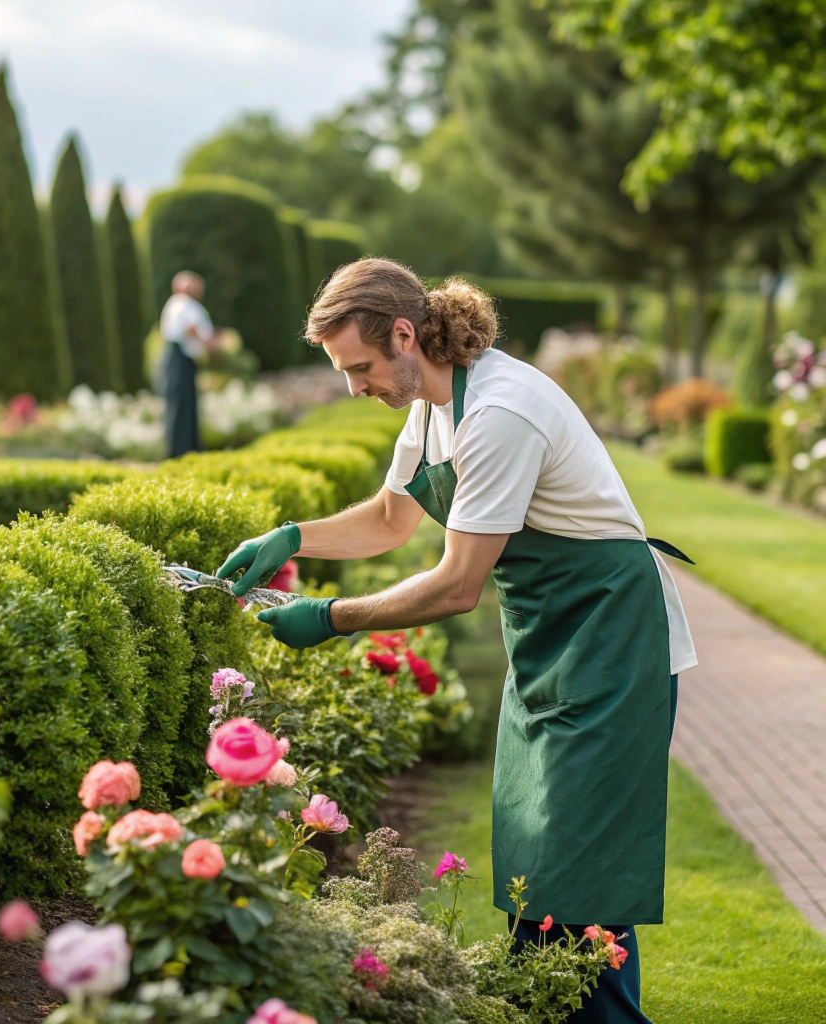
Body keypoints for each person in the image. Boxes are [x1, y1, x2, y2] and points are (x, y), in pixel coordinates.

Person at [216, 258, 697, 1024]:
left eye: (361, 366)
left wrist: (332, 616)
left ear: (405, 335)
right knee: (538, 872)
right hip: (549, 647)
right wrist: (292, 536)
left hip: (613, 645)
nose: (353, 386)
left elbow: (457, 584)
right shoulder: (433, 406)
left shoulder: (499, 412)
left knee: (582, 882)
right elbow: (389, 518)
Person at [159, 270, 219, 457]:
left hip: (186, 360)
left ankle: (190, 448)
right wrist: (208, 341)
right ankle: (178, 452)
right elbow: (190, 329)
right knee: (179, 404)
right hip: (178, 359)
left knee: (188, 404)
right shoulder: (179, 304)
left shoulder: (188, 305)